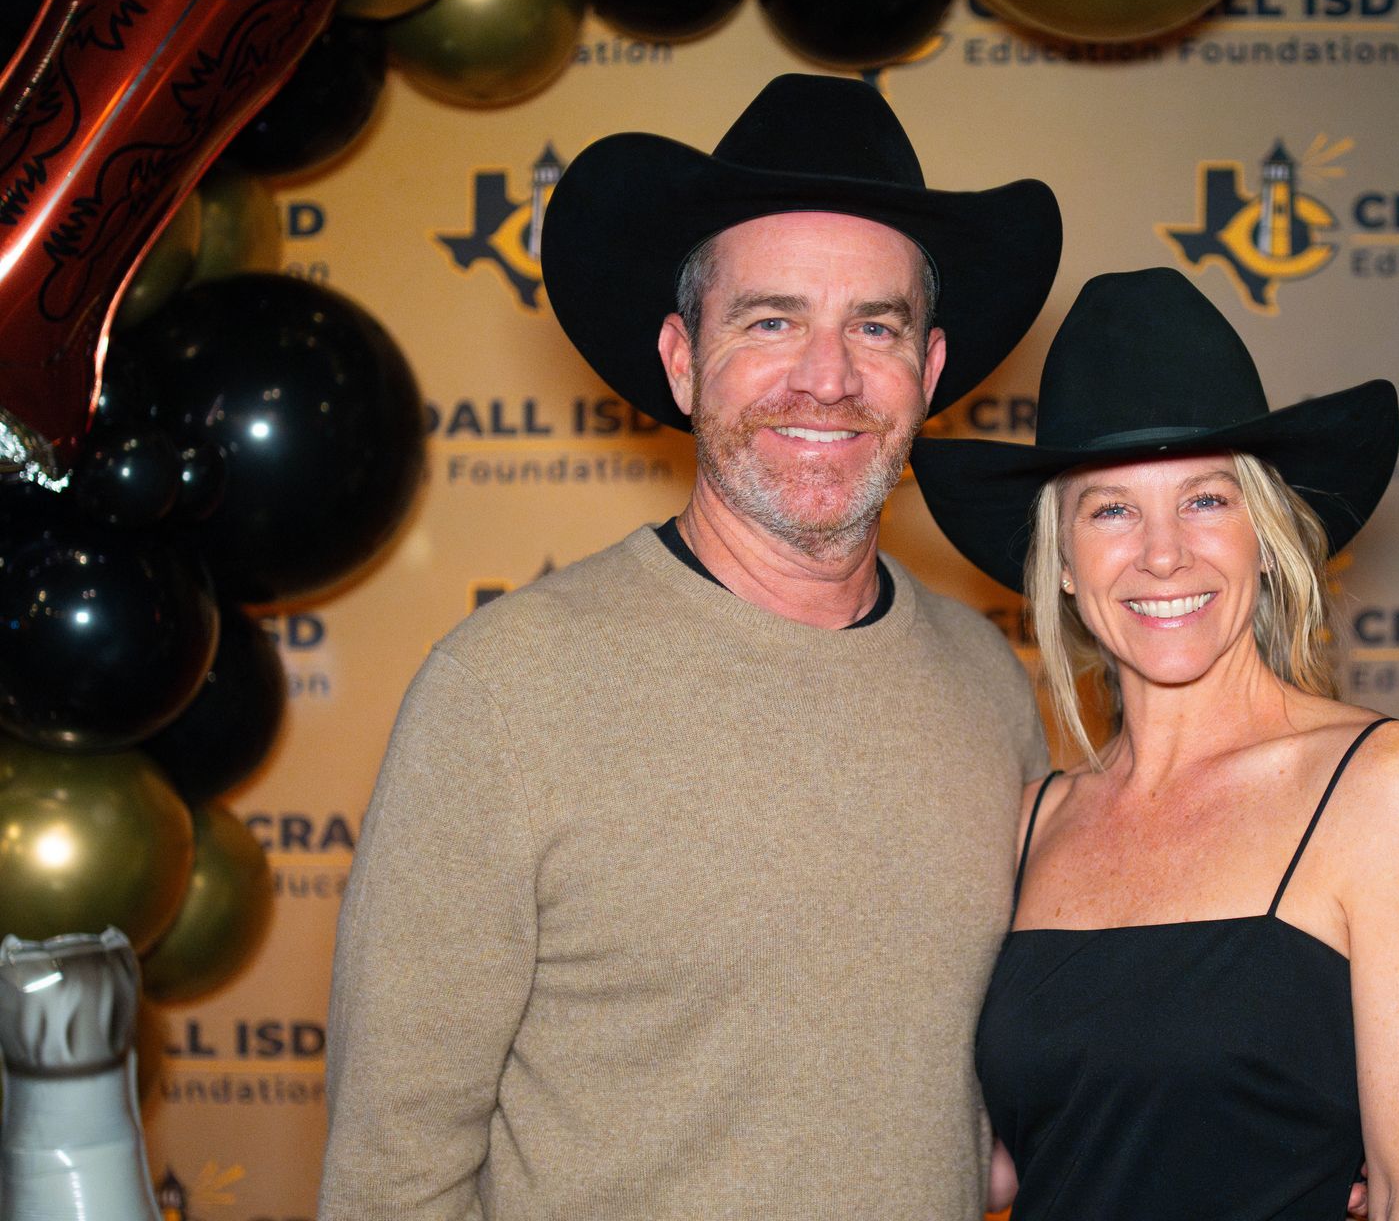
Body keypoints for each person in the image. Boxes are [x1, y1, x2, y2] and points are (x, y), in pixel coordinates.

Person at [317, 74, 1064, 1219]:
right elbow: (391, 1177)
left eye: (877, 326)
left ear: (931, 371)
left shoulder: (986, 685)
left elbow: (976, 1114)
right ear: (681, 358)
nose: (828, 375)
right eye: (771, 321)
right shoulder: (506, 693)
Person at [912, 268, 1399, 1220]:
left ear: (1266, 536)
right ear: (1061, 563)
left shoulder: (1383, 792)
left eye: (1206, 501)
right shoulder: (1031, 822)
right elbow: (997, 1159)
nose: (1161, 554)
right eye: (1111, 509)